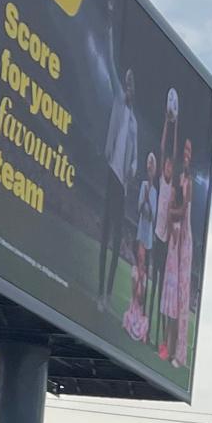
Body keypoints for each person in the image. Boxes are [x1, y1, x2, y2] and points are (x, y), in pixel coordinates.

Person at [98, 70, 139, 307]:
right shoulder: (118, 104)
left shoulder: (134, 123)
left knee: (115, 239)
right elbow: (112, 70)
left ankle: (109, 294)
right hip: (111, 174)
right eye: (127, 85)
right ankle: (100, 290)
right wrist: (110, 37)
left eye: (132, 86)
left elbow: (136, 155)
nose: (129, 89)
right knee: (104, 236)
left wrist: (133, 168)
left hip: (122, 183)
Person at [159, 141, 197, 366]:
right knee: (169, 300)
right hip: (174, 243)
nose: (185, 155)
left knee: (180, 301)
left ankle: (177, 353)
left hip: (184, 243)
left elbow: (181, 211)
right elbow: (172, 210)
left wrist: (172, 211)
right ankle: (166, 349)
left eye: (188, 152)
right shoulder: (177, 182)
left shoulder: (188, 182)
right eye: (184, 150)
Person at [149, 89, 179, 339]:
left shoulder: (171, 186)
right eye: (166, 164)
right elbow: (162, 148)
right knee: (152, 282)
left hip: (164, 240)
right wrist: (167, 125)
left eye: (170, 165)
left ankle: (159, 332)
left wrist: (176, 124)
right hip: (154, 234)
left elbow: (174, 152)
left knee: (160, 288)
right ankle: (149, 325)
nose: (167, 166)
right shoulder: (161, 180)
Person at [124, 153, 157, 342]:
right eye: (149, 162)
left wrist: (149, 202)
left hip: (149, 232)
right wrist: (144, 199)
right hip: (141, 229)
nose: (150, 165)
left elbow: (152, 215)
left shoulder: (154, 191)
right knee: (139, 264)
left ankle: (143, 326)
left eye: (152, 163)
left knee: (144, 268)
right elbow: (140, 208)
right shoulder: (144, 186)